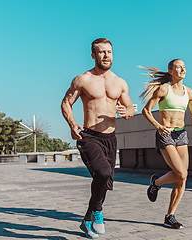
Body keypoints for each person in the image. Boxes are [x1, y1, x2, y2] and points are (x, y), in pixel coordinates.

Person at [61, 38, 135, 239]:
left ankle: (87, 221)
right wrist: (72, 124)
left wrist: (126, 111)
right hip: (89, 136)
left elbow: (129, 109)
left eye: (109, 52)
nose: (106, 56)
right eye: (101, 52)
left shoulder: (120, 82)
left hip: (110, 138)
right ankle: (97, 214)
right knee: (102, 173)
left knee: (104, 183)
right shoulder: (83, 80)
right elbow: (66, 103)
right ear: (93, 55)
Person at [140, 59, 192, 229]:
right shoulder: (163, 89)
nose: (183, 69)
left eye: (184, 67)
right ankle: (157, 183)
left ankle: (169, 215)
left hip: (181, 134)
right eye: (179, 67)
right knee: (180, 173)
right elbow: (145, 110)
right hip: (165, 135)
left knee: (183, 178)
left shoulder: (189, 92)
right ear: (171, 70)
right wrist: (159, 126)